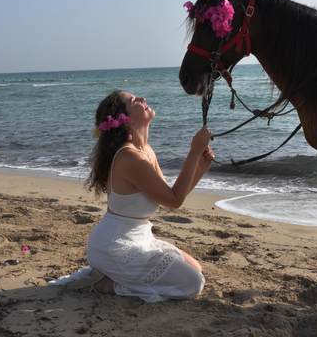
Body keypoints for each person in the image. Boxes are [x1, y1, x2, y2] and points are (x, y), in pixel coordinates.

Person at [63, 89, 213, 302]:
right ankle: (108, 284)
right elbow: (175, 201)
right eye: (134, 101)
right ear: (125, 121)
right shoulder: (130, 157)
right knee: (193, 283)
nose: (142, 99)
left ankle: (112, 276)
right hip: (115, 246)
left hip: (141, 237)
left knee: (196, 268)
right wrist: (194, 152)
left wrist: (200, 168)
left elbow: (170, 197)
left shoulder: (146, 151)